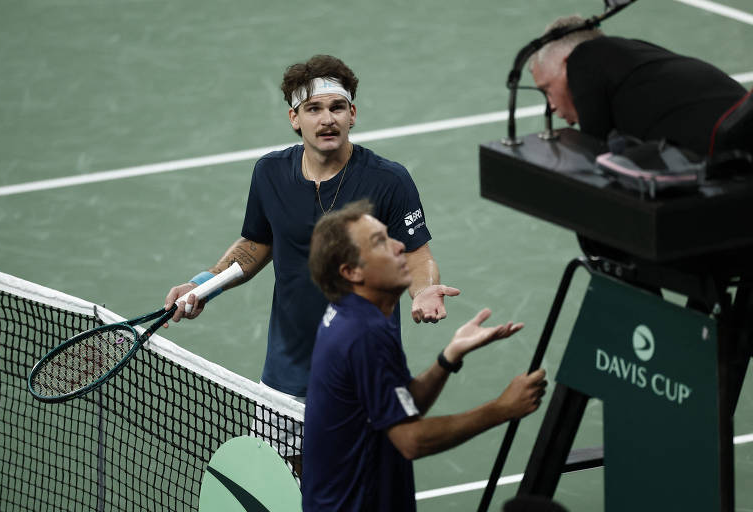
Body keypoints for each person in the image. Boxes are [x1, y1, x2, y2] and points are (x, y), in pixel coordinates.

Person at [163, 56, 457, 403]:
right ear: (294, 118)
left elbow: (416, 253)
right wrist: (203, 284)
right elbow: (257, 243)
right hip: (286, 373)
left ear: (353, 115)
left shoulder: (389, 180)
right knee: (283, 461)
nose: (328, 118)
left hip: (364, 370)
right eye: (314, 109)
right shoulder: (269, 173)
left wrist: (424, 289)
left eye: (337, 107)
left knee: (359, 460)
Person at [303, 200, 547, 511]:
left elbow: (401, 405)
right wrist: (503, 408)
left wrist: (449, 357)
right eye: (380, 242)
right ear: (351, 272)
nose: (399, 245)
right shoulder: (364, 334)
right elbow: (411, 440)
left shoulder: (358, 316)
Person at [529, 15, 748, 156]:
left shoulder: (585, 57)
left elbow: (597, 171)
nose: (552, 108)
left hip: (724, 147)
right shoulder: (636, 59)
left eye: (547, 90)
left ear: (567, 62)